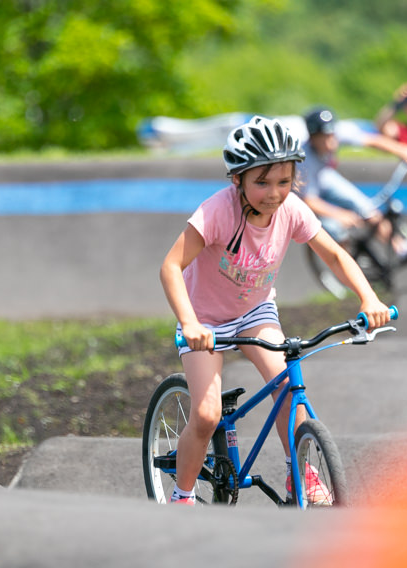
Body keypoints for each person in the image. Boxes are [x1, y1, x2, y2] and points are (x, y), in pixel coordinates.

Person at [159, 115, 393, 506]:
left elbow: (334, 254)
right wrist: (188, 323)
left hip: (256, 313)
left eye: (284, 182)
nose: (274, 193)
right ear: (238, 180)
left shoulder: (292, 210)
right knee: (205, 415)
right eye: (262, 182)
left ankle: (298, 473)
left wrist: (368, 298)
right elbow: (170, 266)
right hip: (205, 321)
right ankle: (182, 496)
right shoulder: (217, 212)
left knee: (288, 386)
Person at [299, 106, 407, 258]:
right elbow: (310, 201)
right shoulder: (303, 161)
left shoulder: (337, 134)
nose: (331, 141)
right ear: (313, 138)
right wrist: (340, 215)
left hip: (325, 177)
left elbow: (371, 140)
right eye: (325, 137)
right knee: (336, 229)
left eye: (332, 135)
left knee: (368, 209)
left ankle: (398, 245)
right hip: (306, 195)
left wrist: (401, 150)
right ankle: (344, 266)